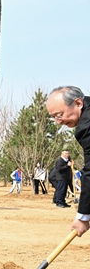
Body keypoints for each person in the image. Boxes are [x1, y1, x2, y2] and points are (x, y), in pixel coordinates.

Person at [47, 86, 90, 235]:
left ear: (78, 103)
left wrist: (83, 216)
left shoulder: (86, 127)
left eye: (59, 115)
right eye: (54, 117)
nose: (58, 122)